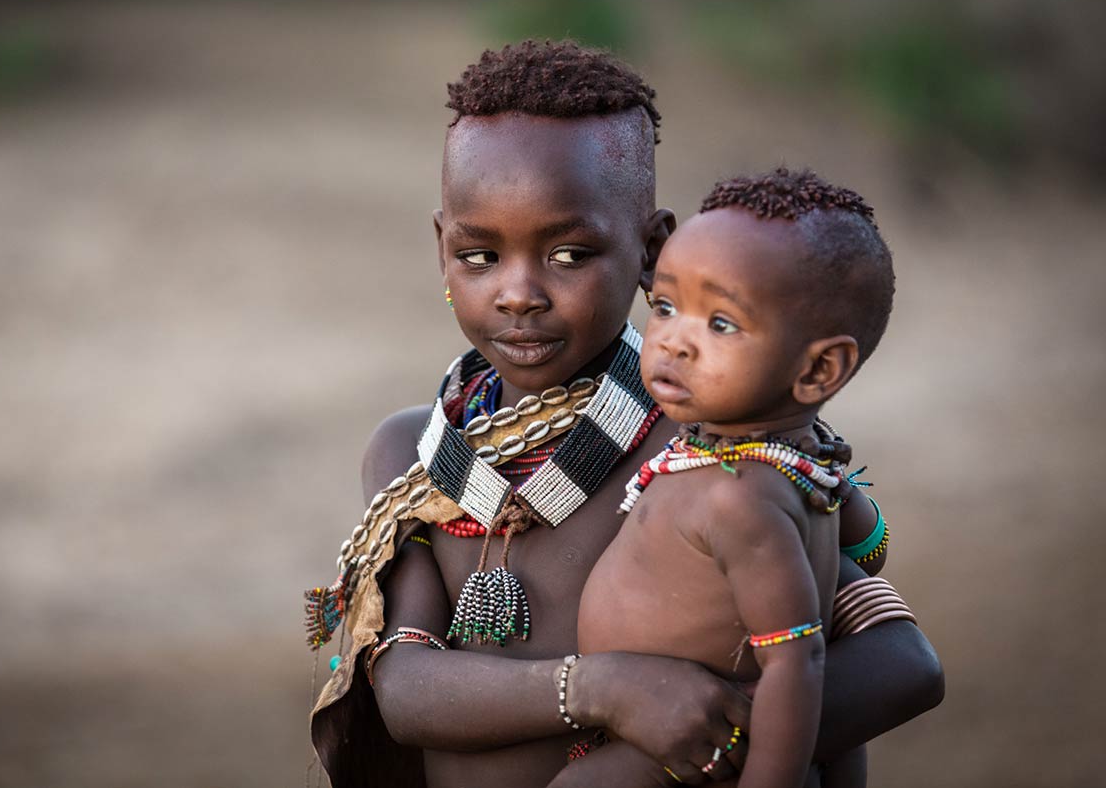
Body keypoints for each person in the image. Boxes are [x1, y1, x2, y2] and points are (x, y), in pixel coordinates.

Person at [307, 41, 943, 788]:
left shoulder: (715, 449)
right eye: (480, 255)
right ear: (442, 249)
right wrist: (607, 689)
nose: (518, 293)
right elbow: (407, 695)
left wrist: (683, 741)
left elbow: (902, 663)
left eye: (570, 253)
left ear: (651, 252)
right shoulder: (412, 456)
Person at [569, 168, 897, 788]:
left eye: (720, 324)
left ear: (820, 369)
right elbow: (871, 549)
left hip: (693, 750)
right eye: (664, 307)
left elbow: (797, 662)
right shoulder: (795, 464)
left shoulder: (741, 497)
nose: (673, 343)